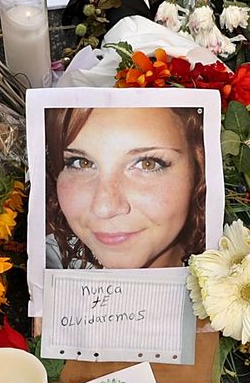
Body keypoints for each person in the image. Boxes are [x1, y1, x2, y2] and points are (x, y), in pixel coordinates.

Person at [44, 104, 205, 270]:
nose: (104, 208)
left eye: (147, 164)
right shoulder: (39, 264)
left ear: (200, 170)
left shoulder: (230, 278)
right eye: (81, 163)